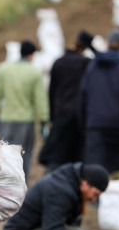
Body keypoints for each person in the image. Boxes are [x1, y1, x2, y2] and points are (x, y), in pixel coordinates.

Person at [78, 28, 119, 178]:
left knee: (94, 168)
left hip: (96, 125)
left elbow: (82, 96)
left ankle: (94, 201)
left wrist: (83, 123)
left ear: (108, 43)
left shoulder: (93, 66)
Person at [0, 40, 49, 181]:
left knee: (3, 156)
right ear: (32, 55)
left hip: (6, 121)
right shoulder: (34, 72)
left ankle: (3, 185)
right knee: (23, 157)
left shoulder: (4, 69)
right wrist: (44, 121)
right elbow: (40, 100)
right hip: (25, 122)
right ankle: (20, 186)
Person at [39, 30, 93, 171]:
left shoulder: (58, 62)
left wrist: (51, 116)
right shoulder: (87, 63)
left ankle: (53, 180)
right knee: (77, 154)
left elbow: (52, 91)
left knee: (58, 154)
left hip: (60, 114)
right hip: (79, 116)